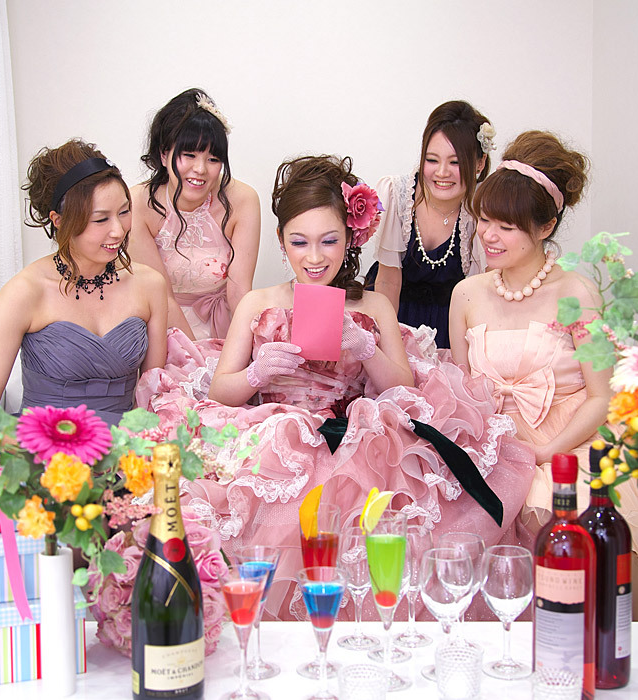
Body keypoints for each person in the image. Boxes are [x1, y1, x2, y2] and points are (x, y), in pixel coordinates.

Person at [137, 154, 535, 618]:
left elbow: (405, 391)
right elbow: (218, 394)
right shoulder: (257, 303)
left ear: (350, 239)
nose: (314, 257)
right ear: (281, 241)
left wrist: (367, 349)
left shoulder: (373, 306)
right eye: (298, 242)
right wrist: (257, 373)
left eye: (329, 241)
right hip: (274, 441)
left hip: (355, 446)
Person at [448, 131, 638, 605]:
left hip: (570, 443)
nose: (489, 235)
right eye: (484, 219)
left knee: (589, 542)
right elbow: (464, 393)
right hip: (496, 446)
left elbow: (602, 397)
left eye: (507, 226)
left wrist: (548, 451)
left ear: (546, 226)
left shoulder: (577, 293)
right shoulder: (466, 294)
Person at [0, 139, 167, 425]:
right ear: (58, 220)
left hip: (126, 445)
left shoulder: (149, 285)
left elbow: (152, 396)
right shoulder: (24, 292)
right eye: (100, 219)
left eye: (124, 212)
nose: (118, 230)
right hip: (44, 444)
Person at [128, 88, 261, 340]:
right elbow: (162, 297)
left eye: (213, 159)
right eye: (189, 155)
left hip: (224, 326)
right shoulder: (138, 203)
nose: (200, 169)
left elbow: (239, 291)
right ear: (164, 154)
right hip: (163, 326)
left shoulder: (243, 200)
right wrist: (196, 354)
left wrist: (238, 348)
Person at [368, 100, 495, 348]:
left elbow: (481, 294)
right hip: (393, 313)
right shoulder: (398, 195)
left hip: (452, 324)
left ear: (479, 163)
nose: (442, 172)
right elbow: (388, 282)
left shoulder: (484, 209)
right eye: (432, 160)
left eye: (455, 162)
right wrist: (389, 346)